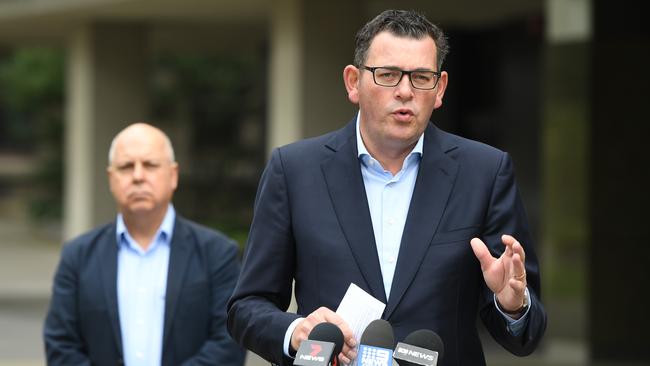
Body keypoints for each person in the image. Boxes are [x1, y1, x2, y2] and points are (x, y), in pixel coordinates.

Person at [227, 9, 547, 366]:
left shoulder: (484, 172)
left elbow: (526, 334)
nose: (406, 92)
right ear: (353, 82)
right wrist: (297, 331)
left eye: (421, 77)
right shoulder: (295, 170)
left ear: (439, 89)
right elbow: (247, 307)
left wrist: (512, 304)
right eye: (389, 75)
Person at [44, 123, 246, 366]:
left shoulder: (217, 253)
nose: (138, 176)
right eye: (126, 166)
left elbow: (228, 343)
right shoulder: (77, 255)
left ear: (173, 175)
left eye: (150, 165)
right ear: (111, 178)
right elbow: (60, 345)